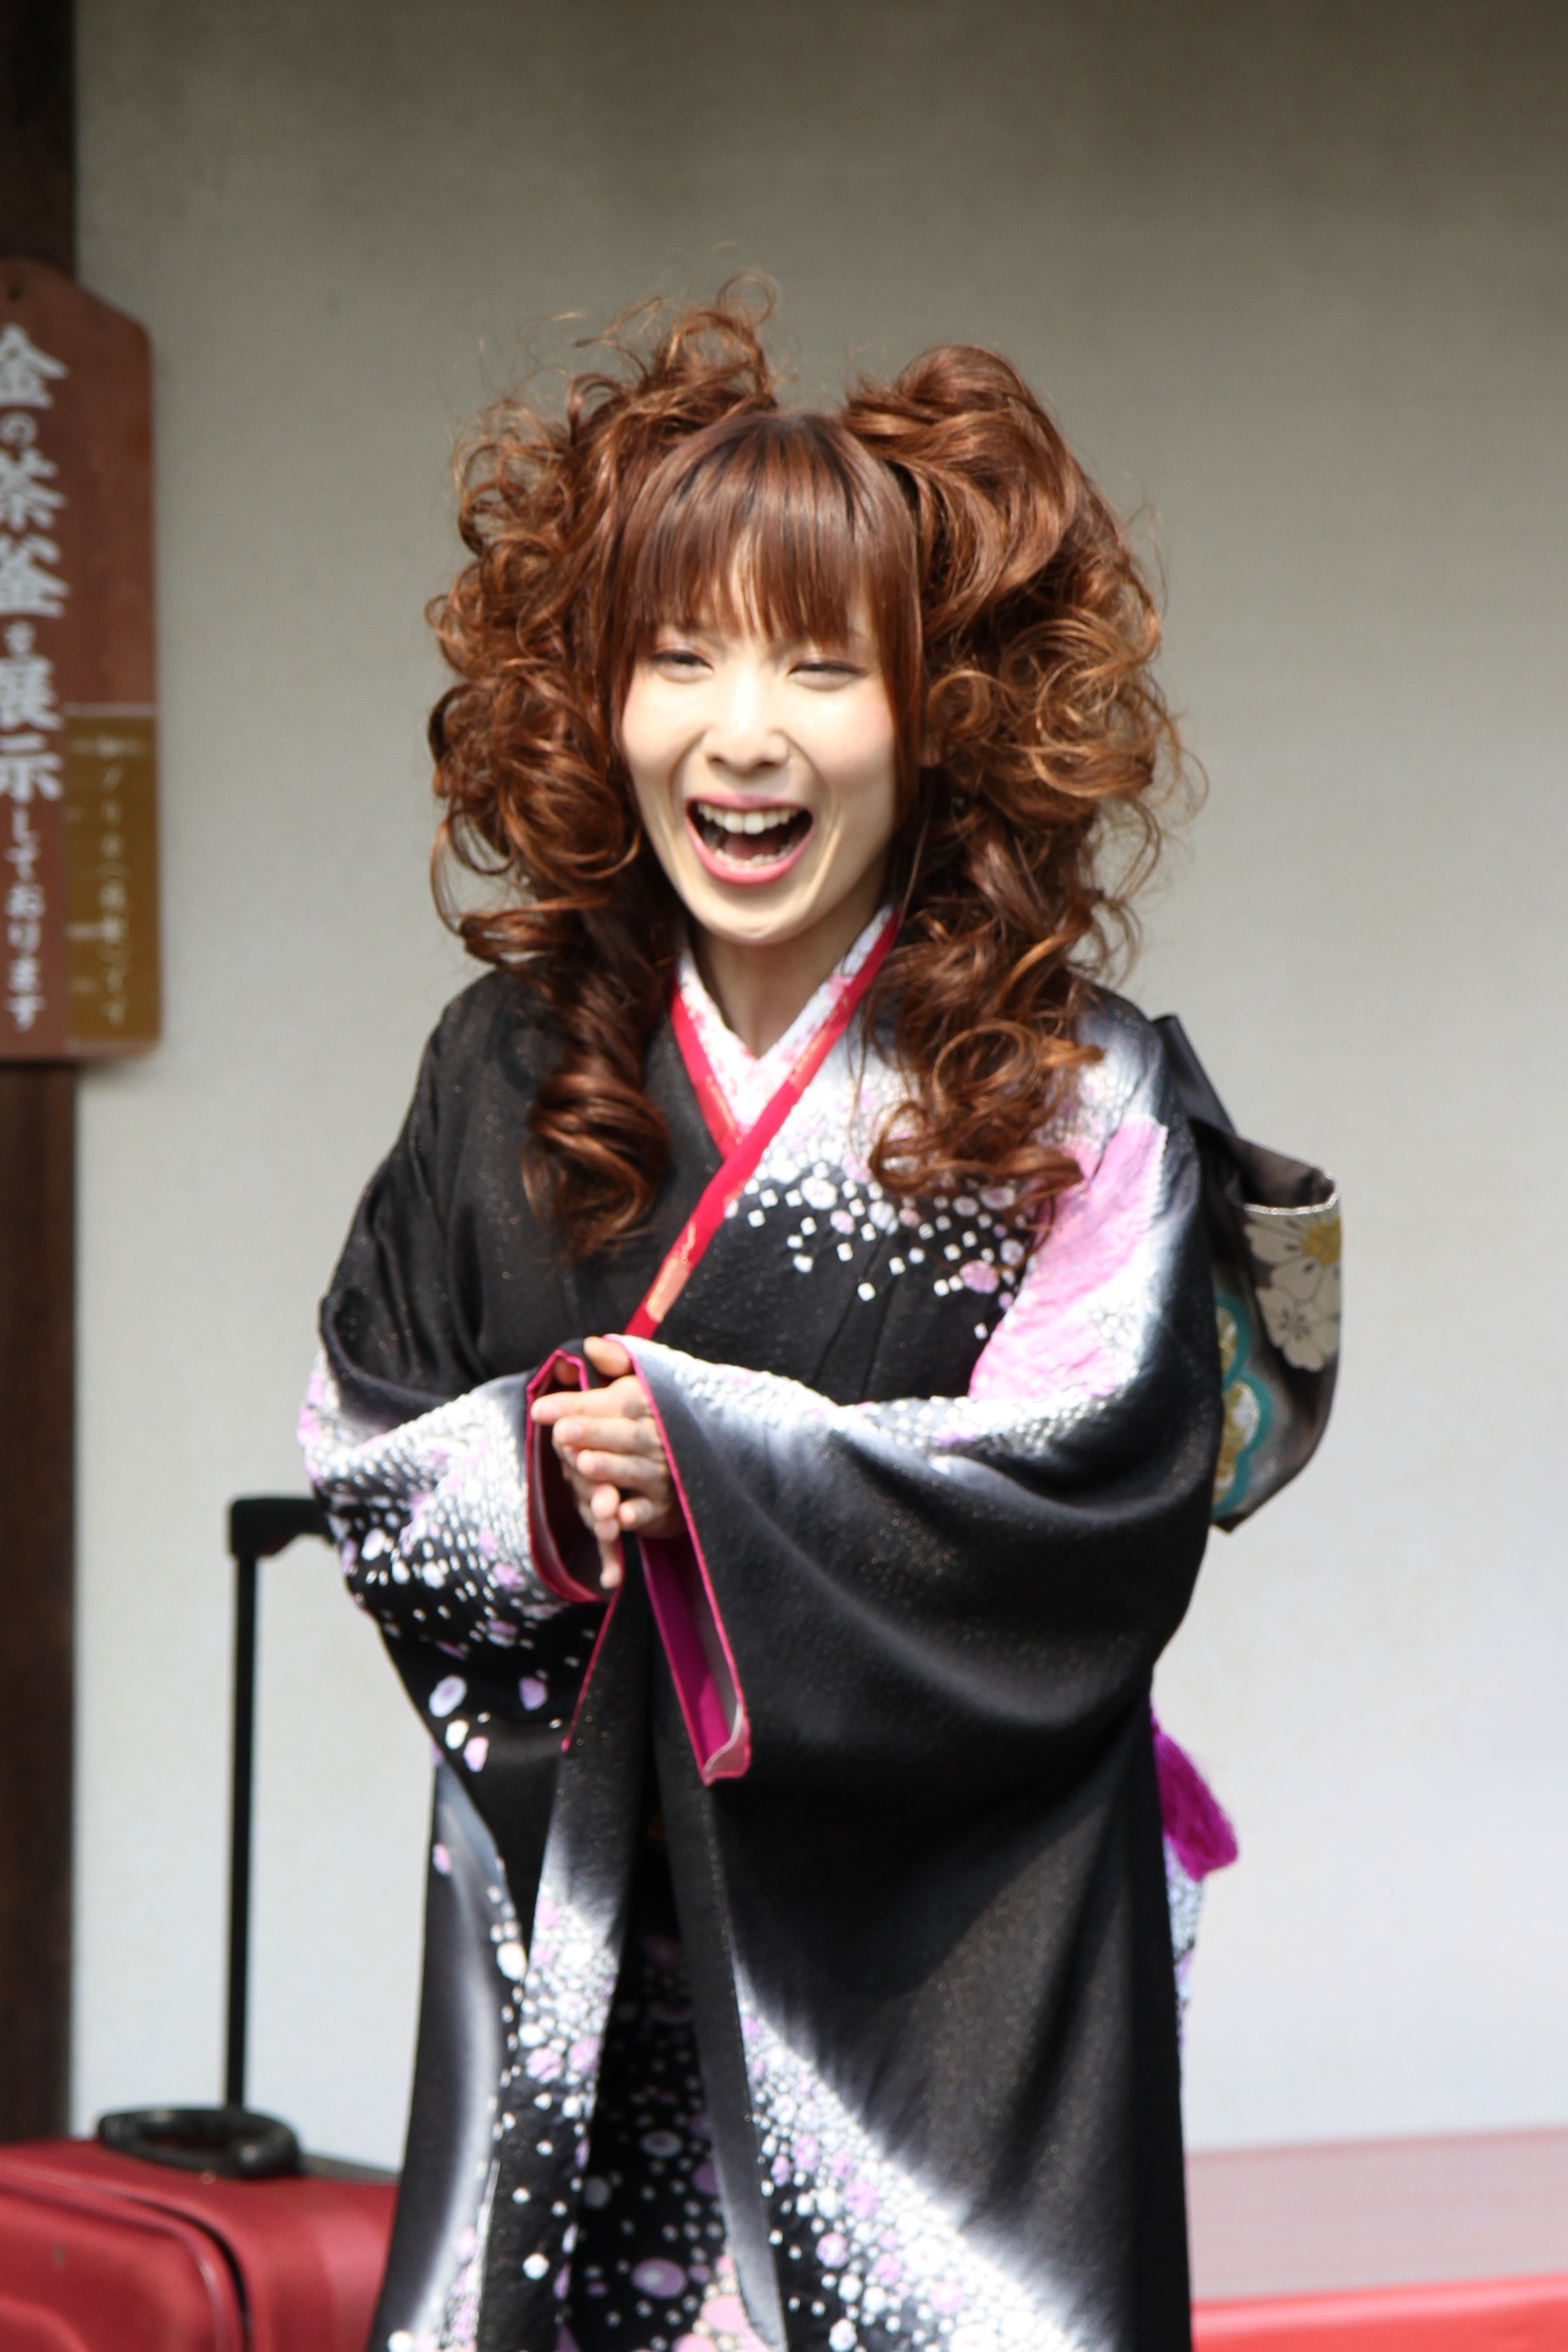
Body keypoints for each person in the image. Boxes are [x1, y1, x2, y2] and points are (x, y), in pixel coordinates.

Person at [301, 293, 1269, 2352]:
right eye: (680, 657)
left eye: (822, 667)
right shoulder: (507, 1066)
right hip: (590, 1918)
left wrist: (720, 1473)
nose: (741, 732)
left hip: (959, 1968)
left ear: (940, 713)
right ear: (596, 698)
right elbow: (361, 1428)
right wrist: (541, 1490)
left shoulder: (1072, 1098)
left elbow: (1093, 1491)